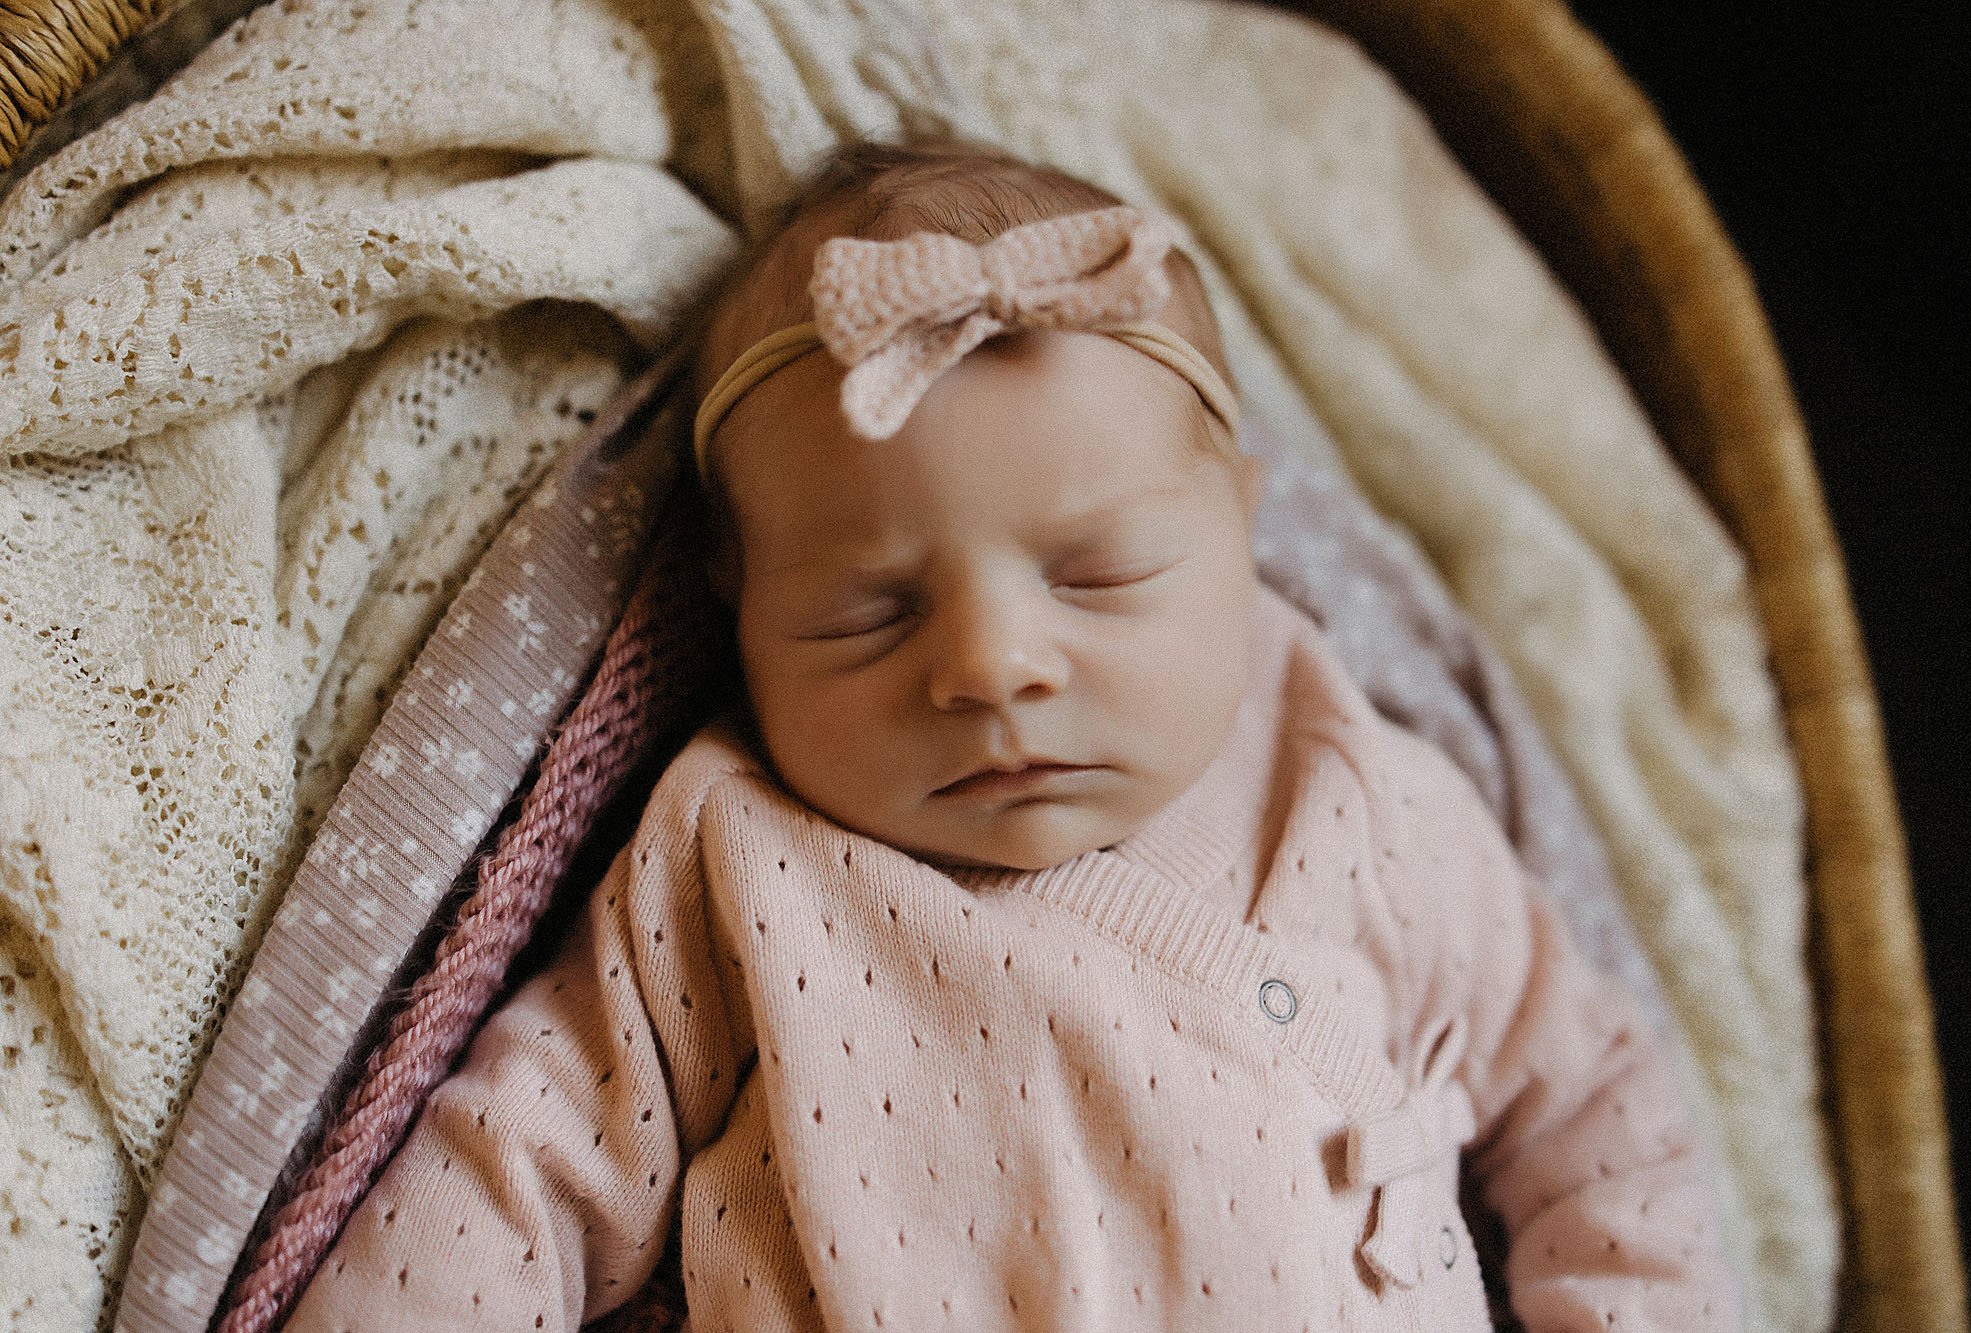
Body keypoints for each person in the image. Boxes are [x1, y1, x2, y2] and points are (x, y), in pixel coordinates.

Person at [283, 138, 1738, 1331]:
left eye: (1098, 576)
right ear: (735, 606)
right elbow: (520, 1171)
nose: (988, 666)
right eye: (867, 612)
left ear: (1242, 521)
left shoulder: (1347, 781)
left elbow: (1594, 1089)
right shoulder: (737, 855)